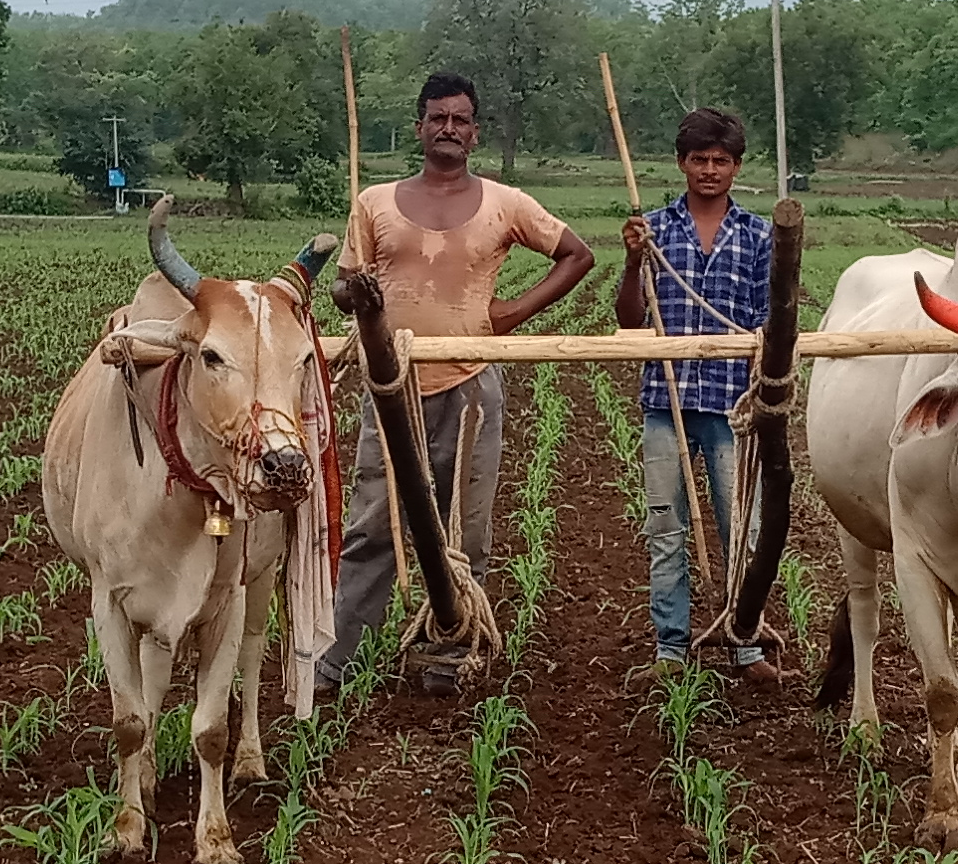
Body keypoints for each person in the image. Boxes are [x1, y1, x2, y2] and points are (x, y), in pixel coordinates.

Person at [319, 71, 594, 695]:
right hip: (391, 388)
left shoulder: (504, 203)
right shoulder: (376, 202)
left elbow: (577, 255)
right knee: (371, 524)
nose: (448, 128)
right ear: (419, 127)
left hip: (470, 388)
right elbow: (342, 286)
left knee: (464, 528)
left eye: (460, 119)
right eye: (437, 117)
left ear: (474, 133)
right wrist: (356, 295)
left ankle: (452, 649)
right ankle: (337, 660)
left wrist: (512, 313)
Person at [617, 106, 774, 670]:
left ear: (736, 167)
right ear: (682, 163)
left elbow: (767, 322)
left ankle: (744, 639)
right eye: (699, 160)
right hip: (667, 403)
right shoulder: (653, 231)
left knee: (742, 532)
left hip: (734, 407)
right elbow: (630, 317)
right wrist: (634, 262)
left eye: (721, 161)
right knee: (666, 527)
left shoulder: (759, 235)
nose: (710, 170)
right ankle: (671, 645)